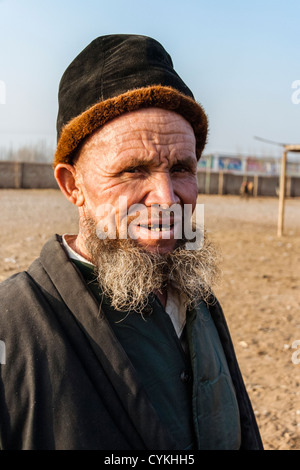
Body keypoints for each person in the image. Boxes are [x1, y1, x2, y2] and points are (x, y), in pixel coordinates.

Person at [0, 35, 263, 450]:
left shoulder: (199, 301)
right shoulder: (12, 327)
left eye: (181, 168)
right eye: (132, 170)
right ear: (74, 186)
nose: (167, 198)